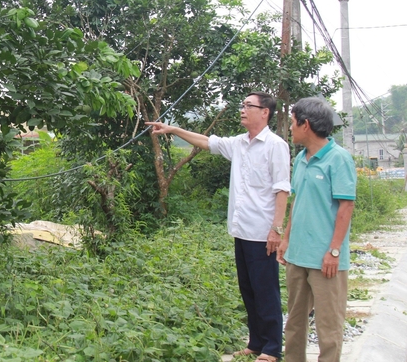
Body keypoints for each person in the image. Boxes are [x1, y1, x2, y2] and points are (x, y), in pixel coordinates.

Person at [146, 91, 290, 362]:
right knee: (248, 289)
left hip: (263, 233)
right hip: (241, 230)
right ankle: (256, 342)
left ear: (265, 112)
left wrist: (277, 229)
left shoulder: (275, 145)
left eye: (249, 105)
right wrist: (173, 129)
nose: (243, 110)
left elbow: (282, 188)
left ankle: (272, 348)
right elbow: (206, 141)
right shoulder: (239, 143)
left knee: (266, 290)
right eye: (243, 105)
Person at [276, 97, 356, 362]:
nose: (290, 128)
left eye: (292, 122)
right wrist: (286, 239)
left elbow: (346, 208)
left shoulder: (339, 159)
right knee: (295, 322)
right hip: (298, 256)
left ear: (305, 124)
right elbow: (296, 201)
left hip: (326, 260)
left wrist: (333, 251)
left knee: (328, 326)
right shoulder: (300, 159)